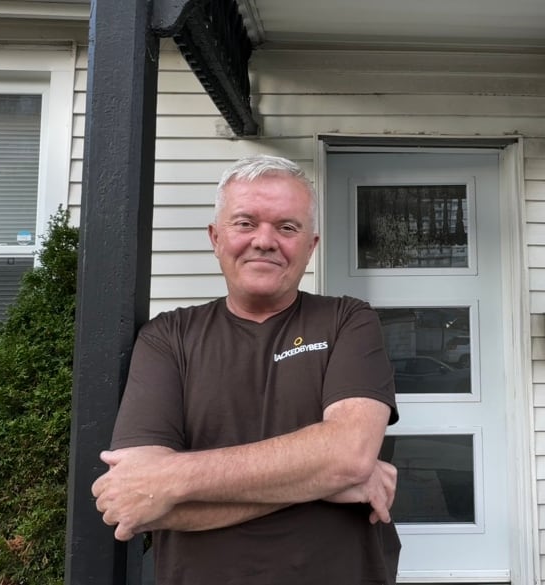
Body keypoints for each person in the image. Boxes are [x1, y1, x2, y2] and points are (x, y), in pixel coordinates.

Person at [91, 154, 401, 584]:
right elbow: (138, 499)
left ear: (310, 246)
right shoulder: (168, 337)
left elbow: (348, 455)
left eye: (287, 227)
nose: (265, 240)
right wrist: (328, 483)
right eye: (245, 223)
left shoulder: (348, 320)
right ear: (216, 237)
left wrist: (171, 479)